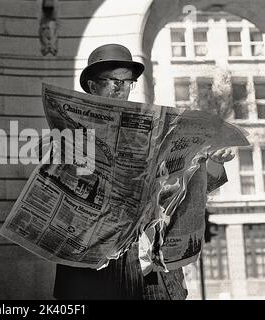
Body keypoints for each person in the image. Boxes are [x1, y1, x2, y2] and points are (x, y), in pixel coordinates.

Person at [53, 44, 234, 300]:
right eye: (113, 81)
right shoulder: (70, 134)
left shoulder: (154, 129)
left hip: (151, 271)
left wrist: (211, 163)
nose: (121, 88)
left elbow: (181, 188)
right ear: (93, 86)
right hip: (96, 272)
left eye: (128, 82)